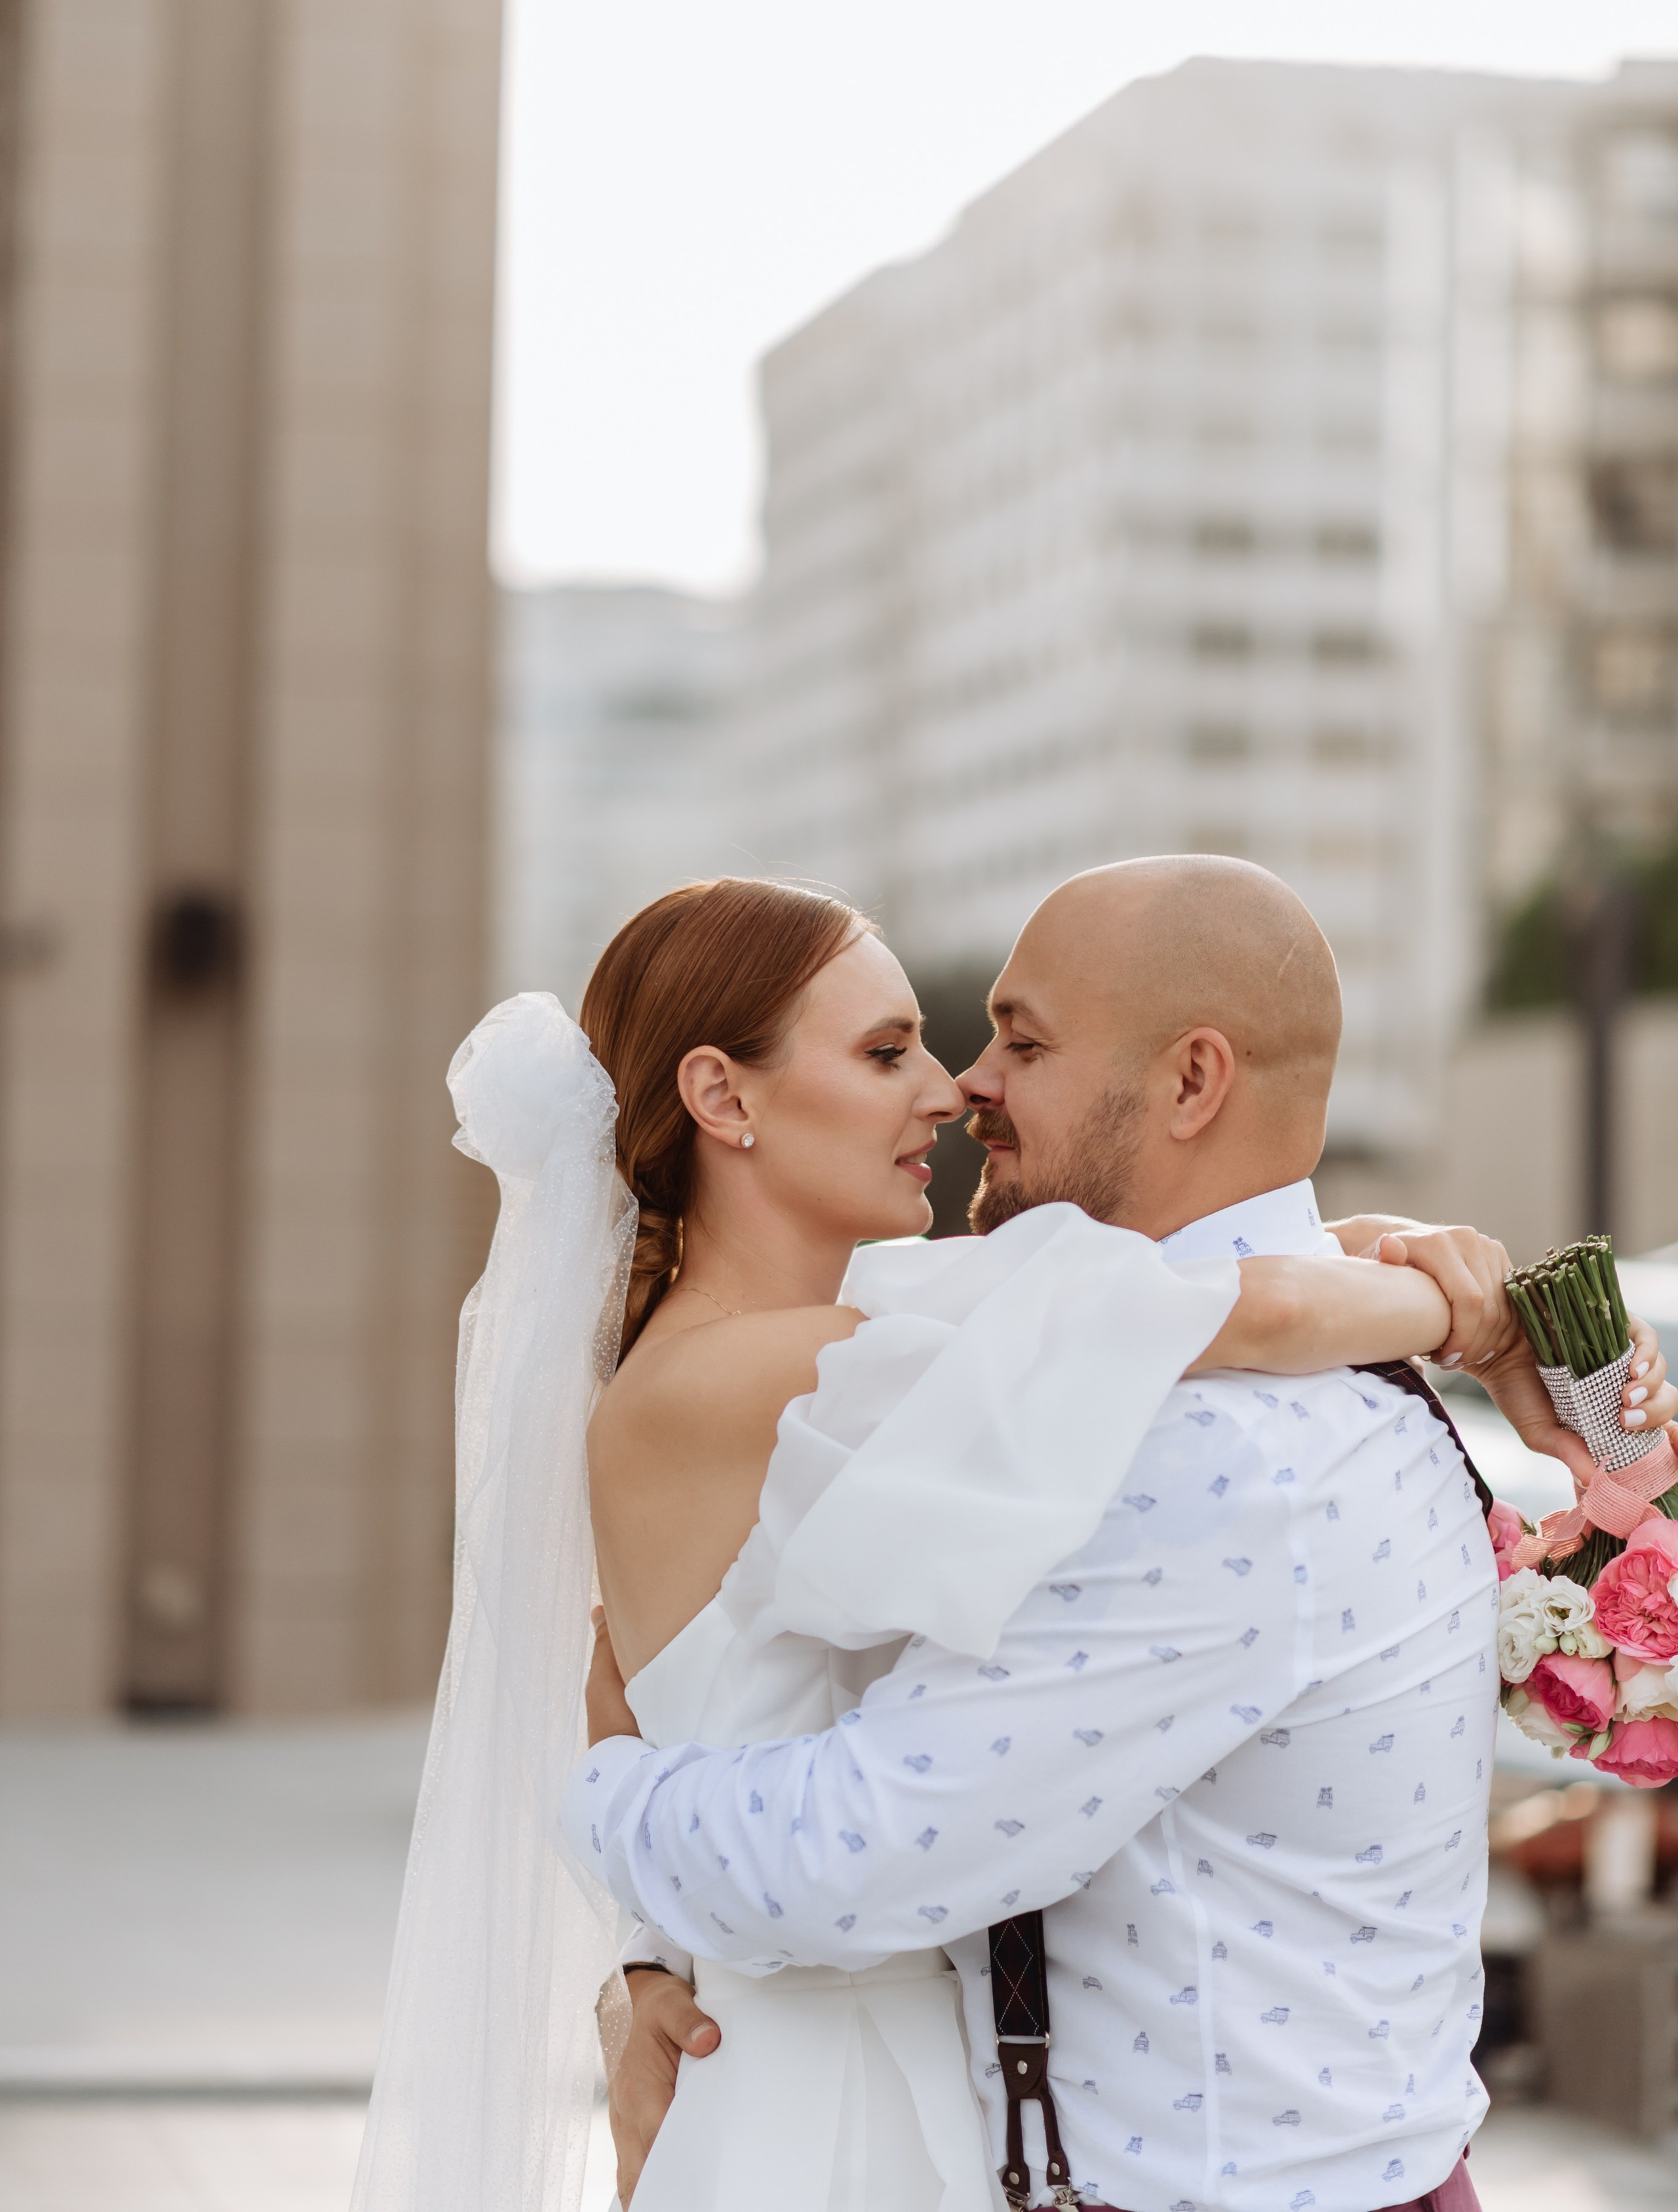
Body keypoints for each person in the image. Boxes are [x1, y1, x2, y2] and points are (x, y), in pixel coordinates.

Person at [568, 861, 1669, 2212]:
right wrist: (1457, 1313)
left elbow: (855, 1851)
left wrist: (601, 1789)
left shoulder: (1199, 1450)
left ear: (1191, 1082)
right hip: (872, 2092)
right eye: (892, 1049)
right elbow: (1210, 1306)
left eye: (1015, 1042)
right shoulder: (1033, 1368)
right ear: (716, 1099)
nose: (960, 1087)